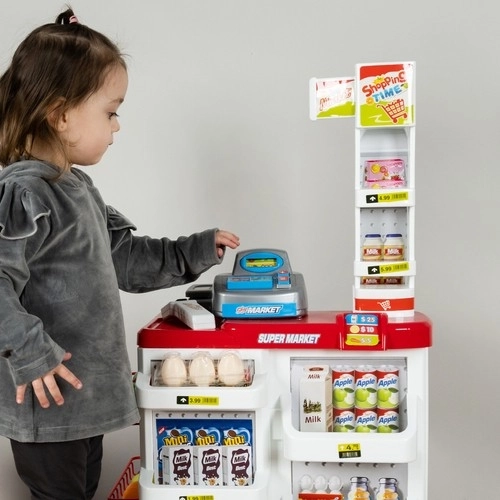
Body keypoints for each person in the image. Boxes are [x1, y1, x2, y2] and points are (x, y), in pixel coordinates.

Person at [0, 8, 240, 500]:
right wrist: (28, 350)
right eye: (110, 111)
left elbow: (124, 259)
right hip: (47, 407)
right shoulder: (26, 193)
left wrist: (191, 251)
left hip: (81, 403)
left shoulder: (77, 188)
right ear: (62, 114)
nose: (117, 125)